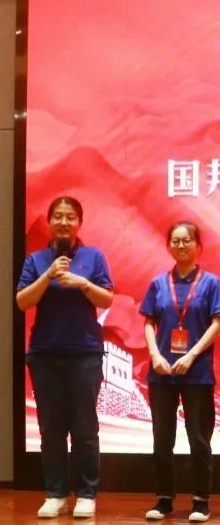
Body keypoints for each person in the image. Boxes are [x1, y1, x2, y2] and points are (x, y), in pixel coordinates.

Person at [16, 196, 115, 519]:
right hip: (45, 354)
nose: (63, 222)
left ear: (79, 223)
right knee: (51, 428)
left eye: (70, 216)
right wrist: (49, 276)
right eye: (57, 216)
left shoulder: (93, 257)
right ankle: (56, 493)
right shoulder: (36, 259)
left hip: (84, 353)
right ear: (49, 222)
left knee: (84, 427)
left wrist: (81, 282)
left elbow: (107, 299)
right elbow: (22, 302)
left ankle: (86, 494)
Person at [139, 222, 220, 522]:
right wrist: (155, 355)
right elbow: (148, 322)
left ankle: (200, 501)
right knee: (162, 438)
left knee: (199, 438)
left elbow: (217, 323)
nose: (181, 245)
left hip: (197, 372)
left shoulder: (211, 283)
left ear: (198, 246)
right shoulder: (158, 283)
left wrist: (191, 355)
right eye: (176, 241)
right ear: (168, 246)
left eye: (187, 240)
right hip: (162, 372)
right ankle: (163, 500)